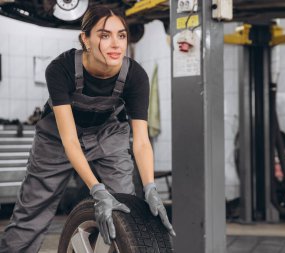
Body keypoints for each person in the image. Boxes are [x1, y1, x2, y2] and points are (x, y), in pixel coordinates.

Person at [0, 5, 175, 253]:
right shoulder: (60, 69)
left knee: (126, 207)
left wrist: (150, 188)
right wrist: (97, 189)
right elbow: (70, 140)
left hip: (108, 134)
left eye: (121, 35)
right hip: (58, 139)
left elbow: (142, 142)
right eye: (104, 35)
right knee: (31, 215)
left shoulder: (136, 76)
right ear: (86, 39)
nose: (115, 44)